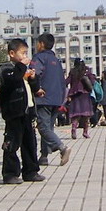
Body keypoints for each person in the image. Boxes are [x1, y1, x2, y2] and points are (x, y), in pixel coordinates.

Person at [0, 38, 45, 184]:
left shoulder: (22, 70)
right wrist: (21, 67)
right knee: (12, 143)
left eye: (26, 53)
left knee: (30, 142)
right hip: (14, 112)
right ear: (12, 53)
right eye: (22, 53)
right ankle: (10, 173)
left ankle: (31, 171)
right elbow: (13, 80)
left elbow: (34, 87)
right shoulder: (6, 68)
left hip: (28, 111)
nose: (25, 56)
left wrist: (32, 78)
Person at [30, 33, 71, 167]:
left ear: (41, 44)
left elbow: (34, 74)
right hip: (56, 99)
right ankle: (44, 156)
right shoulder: (56, 61)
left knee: (43, 127)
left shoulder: (39, 58)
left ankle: (62, 148)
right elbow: (62, 81)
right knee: (49, 128)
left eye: (37, 43)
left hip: (43, 98)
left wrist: (35, 89)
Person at [65, 59, 95, 139]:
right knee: (86, 115)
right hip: (85, 95)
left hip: (75, 95)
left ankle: (74, 129)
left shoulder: (73, 71)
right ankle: (85, 132)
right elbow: (92, 81)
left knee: (76, 115)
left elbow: (67, 81)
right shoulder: (86, 70)